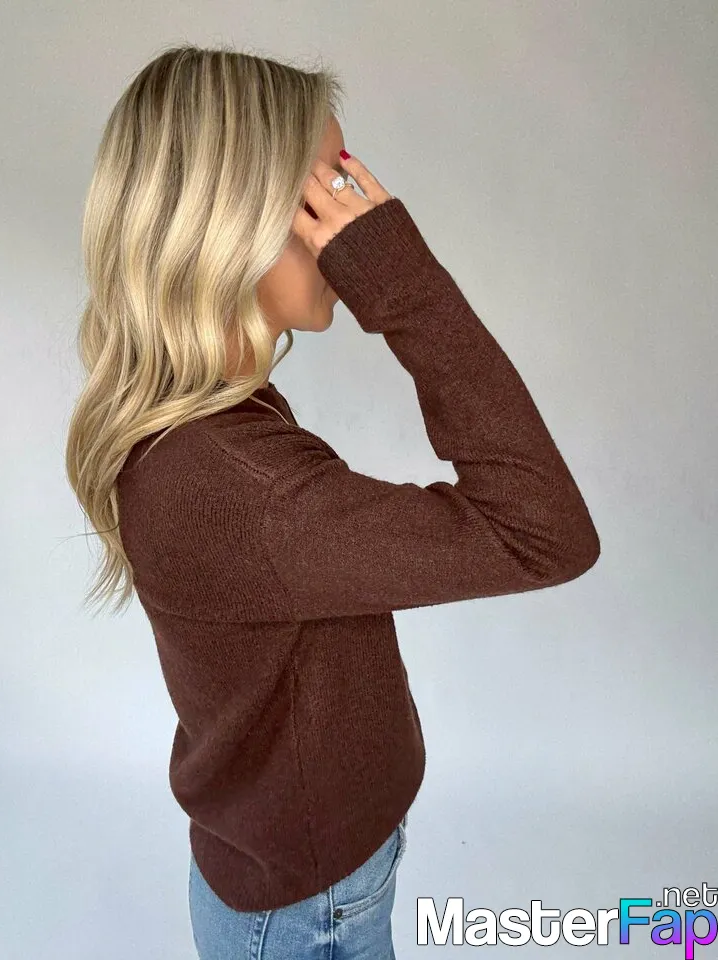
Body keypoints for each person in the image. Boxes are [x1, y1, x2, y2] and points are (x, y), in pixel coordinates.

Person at [65, 44, 600, 960]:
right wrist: (403, 280)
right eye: (327, 188)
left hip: (294, 875)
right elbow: (544, 531)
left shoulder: (202, 425)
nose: (351, 216)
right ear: (230, 220)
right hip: (309, 908)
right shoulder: (242, 487)